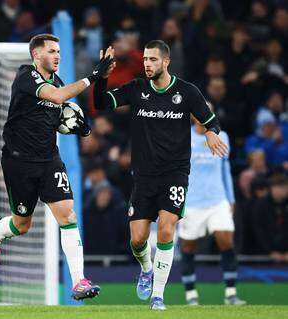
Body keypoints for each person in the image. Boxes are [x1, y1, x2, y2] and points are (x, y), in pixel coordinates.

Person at [94, 40, 228, 310]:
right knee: (138, 239)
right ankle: (146, 269)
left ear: (166, 62)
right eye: (145, 59)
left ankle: (158, 296)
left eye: (153, 60)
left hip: (175, 174)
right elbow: (101, 103)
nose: (147, 64)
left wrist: (212, 133)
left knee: (167, 230)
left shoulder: (187, 92)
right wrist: (100, 77)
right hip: (144, 177)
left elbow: (210, 119)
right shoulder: (137, 88)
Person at [0, 33, 114, 301]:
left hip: (48, 160)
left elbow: (61, 114)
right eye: (52, 51)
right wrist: (92, 77)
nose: (57, 56)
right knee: (22, 224)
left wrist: (81, 128)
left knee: (68, 216)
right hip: (18, 162)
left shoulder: (60, 82)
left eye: (59, 52)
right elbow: (55, 98)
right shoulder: (25, 76)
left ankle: (79, 281)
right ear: (36, 55)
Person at [179, 112, 246, 306]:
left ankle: (231, 294)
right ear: (193, 116)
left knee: (226, 241)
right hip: (191, 202)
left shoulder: (222, 137)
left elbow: (225, 169)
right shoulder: (184, 135)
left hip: (218, 200)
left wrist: (230, 199)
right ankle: (191, 296)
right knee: (188, 247)